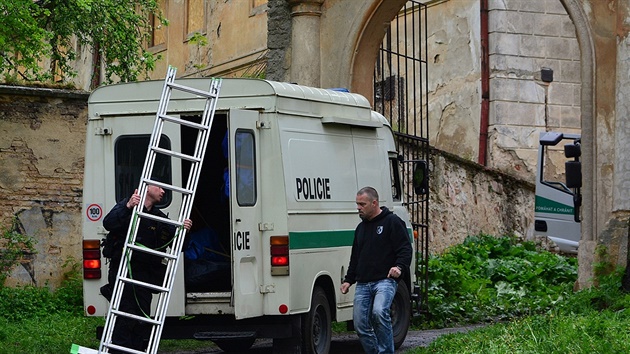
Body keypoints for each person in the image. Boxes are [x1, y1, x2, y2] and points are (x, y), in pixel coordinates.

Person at [101, 185, 192, 353]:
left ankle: (135, 350)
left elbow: (179, 245)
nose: (163, 191)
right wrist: (128, 206)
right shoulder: (127, 207)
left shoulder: (160, 219)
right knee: (124, 317)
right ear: (147, 187)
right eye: (159, 187)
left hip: (144, 277)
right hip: (123, 272)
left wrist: (184, 231)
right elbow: (108, 223)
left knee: (141, 320)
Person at [340, 186, 412, 354]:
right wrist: (348, 280)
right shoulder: (360, 228)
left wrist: (399, 267)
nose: (358, 208)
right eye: (357, 204)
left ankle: (386, 351)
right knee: (359, 324)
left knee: (379, 312)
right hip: (364, 283)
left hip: (385, 280)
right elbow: (356, 257)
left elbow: (405, 249)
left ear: (374, 203)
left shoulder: (392, 222)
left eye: (362, 204)